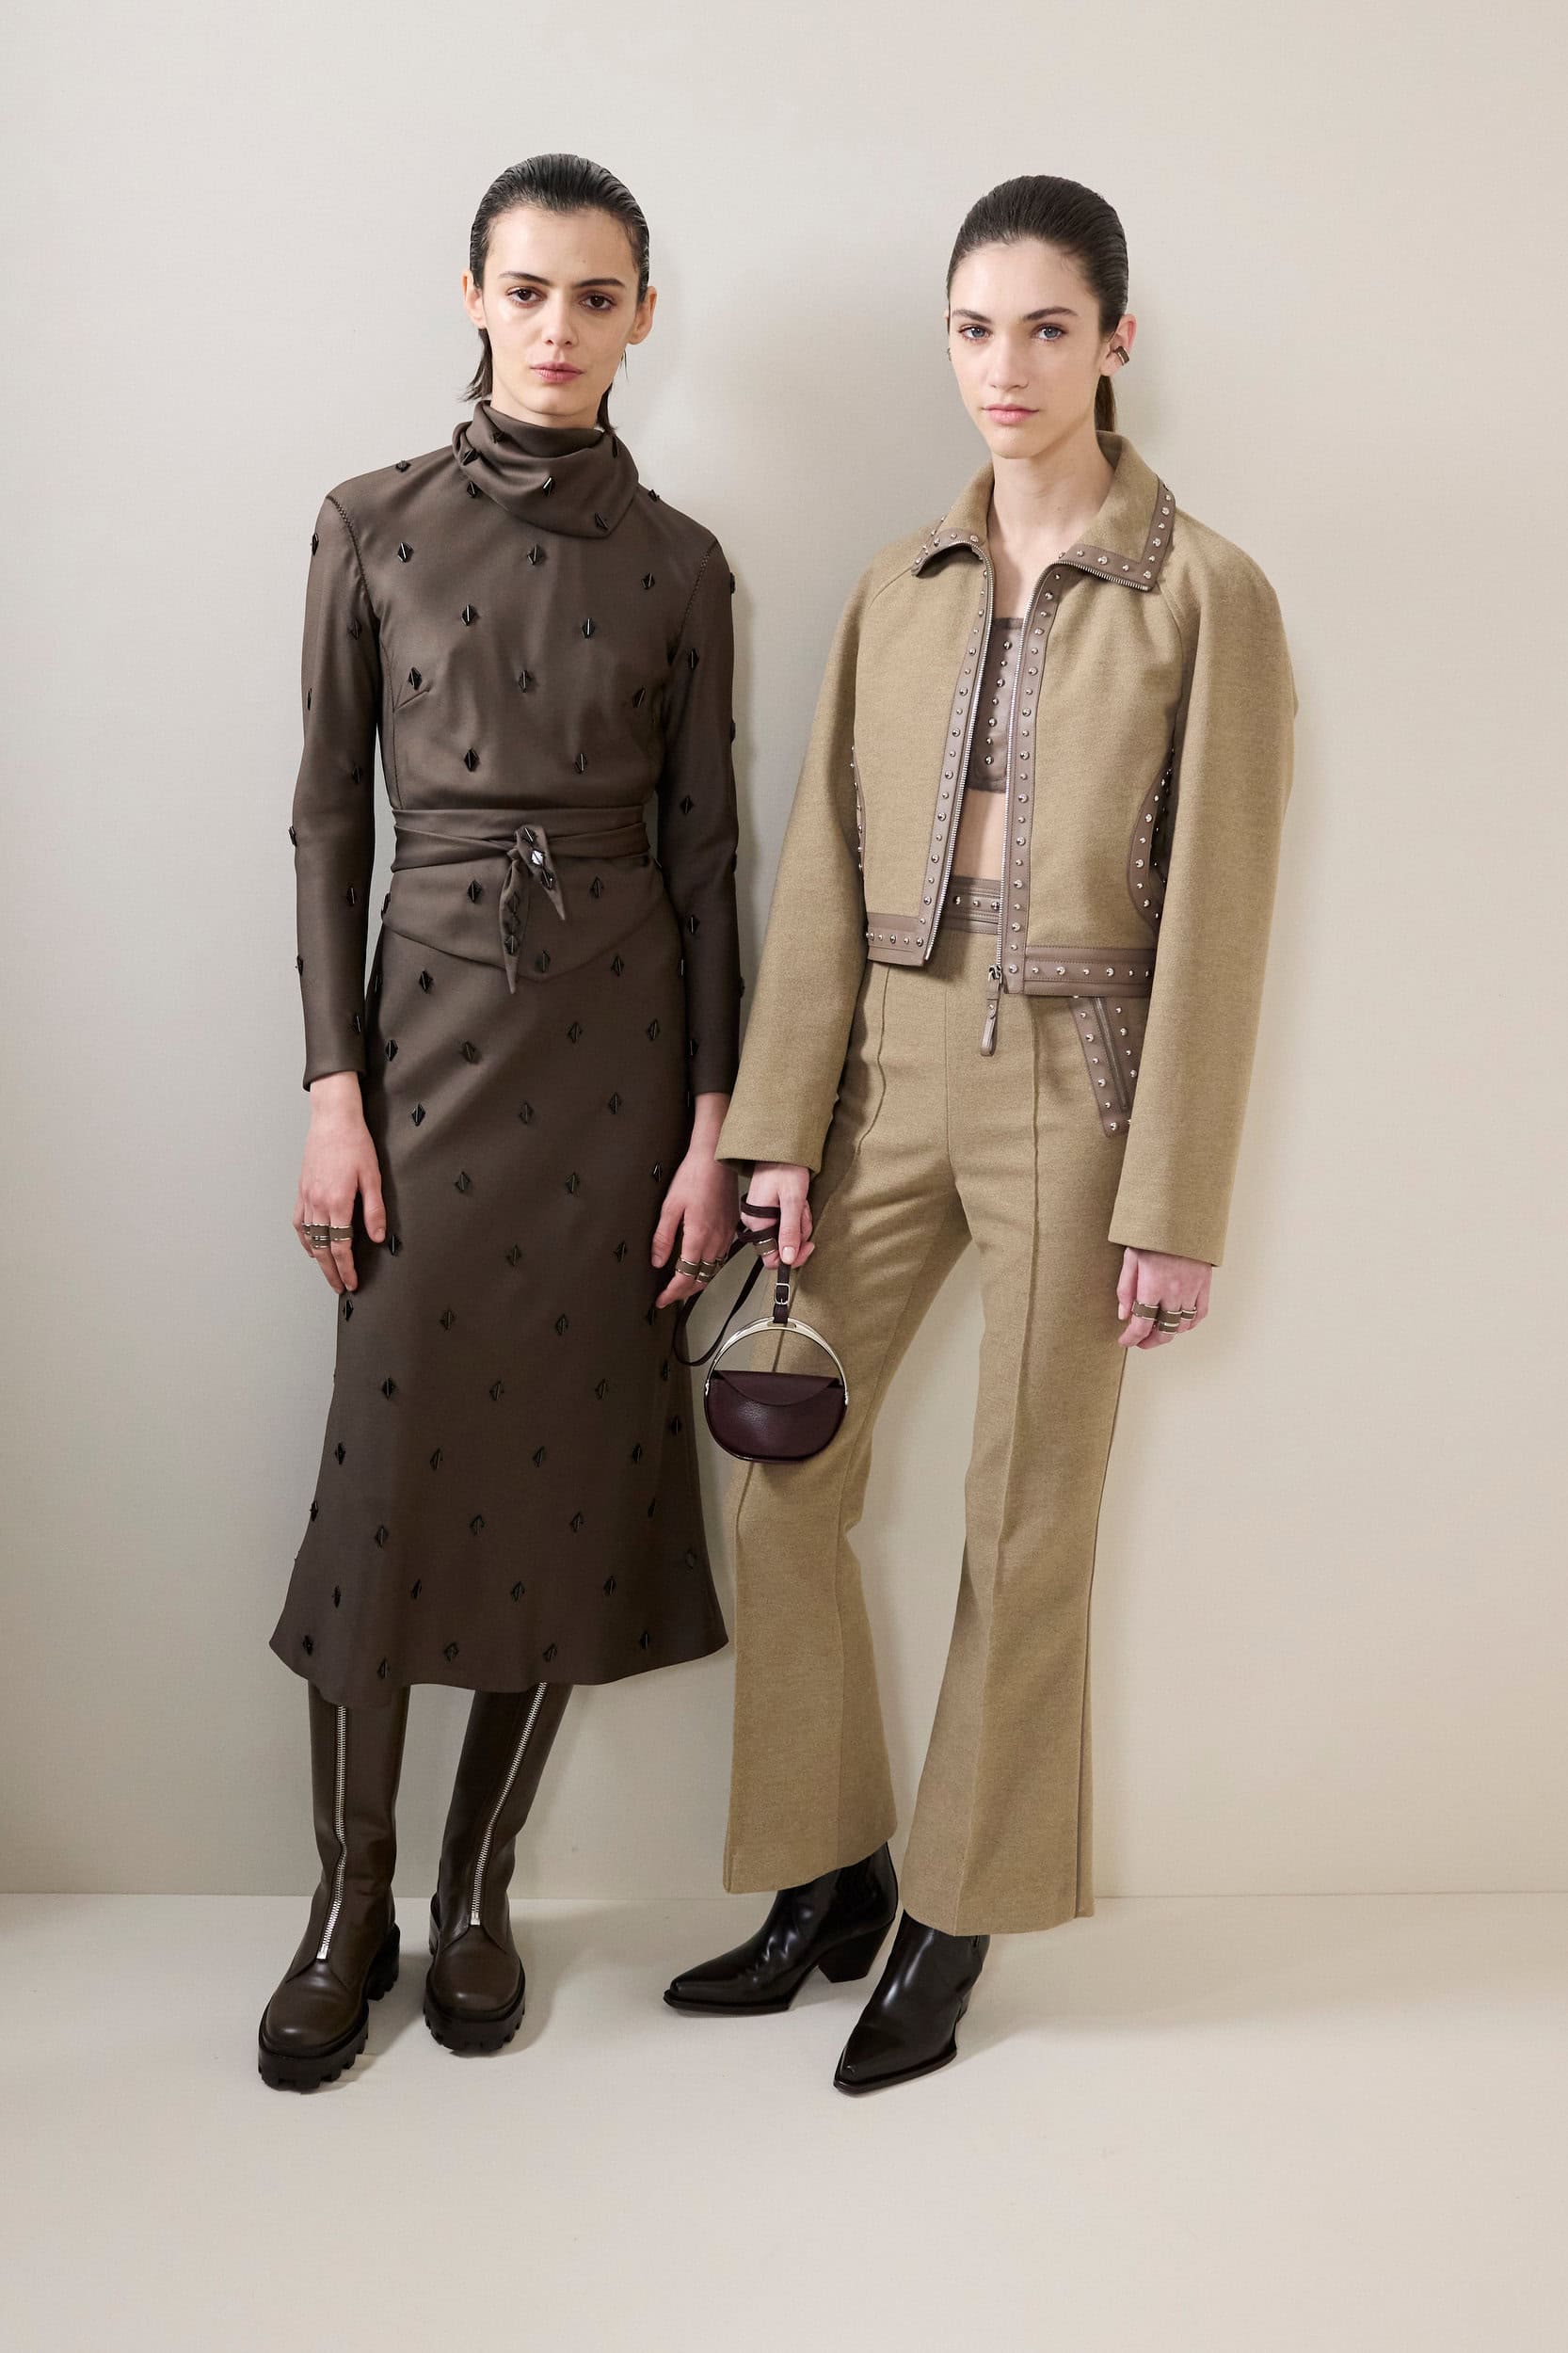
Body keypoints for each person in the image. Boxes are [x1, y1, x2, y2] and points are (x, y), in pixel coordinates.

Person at [665, 174, 1298, 2092]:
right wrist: (782, 1123)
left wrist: (1173, 1199)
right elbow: (820, 863)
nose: (1001, 366)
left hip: (1082, 1088)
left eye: (1043, 327)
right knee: (778, 1466)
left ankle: (954, 1911)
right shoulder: (898, 584)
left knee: (1022, 1521)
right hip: (880, 1069)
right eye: (969, 328)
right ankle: (829, 1866)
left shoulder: (1204, 592)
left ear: (1114, 339)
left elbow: (1220, 918)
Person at [259, 152, 743, 2091]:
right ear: (473, 295)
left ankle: (475, 1893)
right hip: (421, 1057)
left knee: (572, 1477)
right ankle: (345, 1902)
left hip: (621, 1071)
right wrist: (331, 1092)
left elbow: (708, 859)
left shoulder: (686, 564)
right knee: (386, 1482)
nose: (558, 325)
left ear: (642, 318)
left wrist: (710, 1130)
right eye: (527, 288)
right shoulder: (368, 522)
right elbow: (325, 822)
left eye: (595, 295)